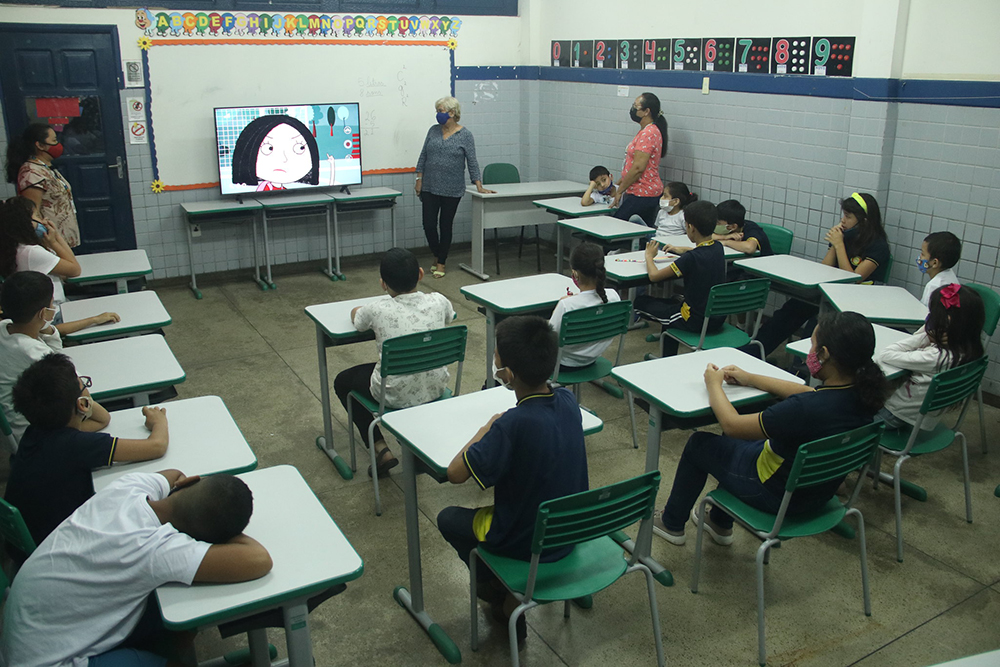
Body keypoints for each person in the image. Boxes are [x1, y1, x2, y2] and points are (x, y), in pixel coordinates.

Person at [652, 311, 888, 545]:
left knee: (699, 444)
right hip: (817, 495)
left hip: (773, 494)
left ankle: (671, 523)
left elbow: (732, 426)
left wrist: (714, 385)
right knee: (746, 429)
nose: (810, 353)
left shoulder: (803, 410)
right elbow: (809, 393)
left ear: (824, 354)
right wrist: (751, 378)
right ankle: (718, 521)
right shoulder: (865, 396)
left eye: (813, 346)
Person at [0, 470, 272, 667]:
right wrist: (222, 532)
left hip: (21, 631)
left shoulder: (127, 487)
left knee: (174, 619)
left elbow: (171, 474)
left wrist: (190, 491)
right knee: (178, 621)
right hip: (49, 661)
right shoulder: (159, 549)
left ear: (191, 481)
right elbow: (258, 559)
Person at [437, 315, 588, 644]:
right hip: (569, 531)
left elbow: (455, 473)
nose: (494, 360)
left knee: (448, 518)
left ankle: (502, 595)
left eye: (496, 357)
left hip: (526, 539)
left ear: (509, 374)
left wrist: (484, 429)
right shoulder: (568, 402)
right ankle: (508, 595)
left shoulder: (511, 425)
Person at [5, 353, 170, 550]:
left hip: (33, 538)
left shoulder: (37, 430)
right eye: (84, 384)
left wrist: (81, 398)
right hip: (60, 544)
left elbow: (102, 420)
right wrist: (159, 421)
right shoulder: (75, 445)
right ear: (80, 404)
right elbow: (157, 447)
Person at [333, 247, 455, 477]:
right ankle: (416, 448)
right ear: (420, 274)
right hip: (436, 387)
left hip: (395, 395)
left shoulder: (377, 308)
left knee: (343, 381)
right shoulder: (439, 301)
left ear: (383, 284)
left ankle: (380, 449)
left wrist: (357, 310)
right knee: (413, 365)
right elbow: (451, 316)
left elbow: (358, 321)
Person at [747, 192, 890, 358]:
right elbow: (824, 269)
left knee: (817, 325)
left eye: (848, 217)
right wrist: (835, 245)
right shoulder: (845, 236)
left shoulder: (878, 245)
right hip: (829, 291)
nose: (843, 220)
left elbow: (854, 280)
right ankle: (755, 353)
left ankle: (802, 369)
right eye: (844, 215)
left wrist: (839, 245)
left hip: (855, 298)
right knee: (790, 311)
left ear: (863, 221)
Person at [0, 196, 119, 336]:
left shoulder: (16, 248)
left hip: (53, 311)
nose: (44, 221)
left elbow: (66, 269)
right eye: (38, 216)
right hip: (54, 315)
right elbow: (75, 269)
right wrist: (55, 240)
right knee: (111, 306)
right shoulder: (31, 252)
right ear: (26, 223)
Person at [878, 284, 984, 431]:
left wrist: (928, 334)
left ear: (946, 322)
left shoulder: (937, 357)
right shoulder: (971, 349)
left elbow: (886, 354)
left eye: (933, 315)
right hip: (921, 415)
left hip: (896, 415)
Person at [633, 200, 727, 357]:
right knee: (674, 302)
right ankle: (667, 357)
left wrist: (649, 256)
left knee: (641, 302)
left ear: (690, 227)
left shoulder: (690, 258)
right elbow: (702, 253)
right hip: (716, 317)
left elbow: (654, 276)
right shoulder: (718, 248)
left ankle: (667, 360)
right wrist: (684, 250)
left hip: (694, 319)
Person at [415, 96, 494, 278]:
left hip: (452, 188)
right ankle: (437, 253)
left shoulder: (465, 135)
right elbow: (423, 156)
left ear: (452, 113)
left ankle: (441, 262)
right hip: (429, 186)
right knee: (428, 225)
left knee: (445, 225)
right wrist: (419, 178)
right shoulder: (433, 131)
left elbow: (472, 161)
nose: (438, 114)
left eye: (441, 111)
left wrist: (479, 185)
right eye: (437, 111)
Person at [0, 271, 65, 445]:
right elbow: (66, 370)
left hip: (16, 427)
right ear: (44, 313)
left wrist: (45, 328)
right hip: (35, 433)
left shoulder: (4, 326)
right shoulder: (32, 351)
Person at [4, 123, 81, 247]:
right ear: (40, 145)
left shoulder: (46, 168)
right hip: (51, 243)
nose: (58, 145)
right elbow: (32, 212)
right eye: (54, 141)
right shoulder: (32, 173)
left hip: (64, 240)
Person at [549, 242, 622, 372]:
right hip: (593, 359)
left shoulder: (566, 305)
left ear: (575, 274)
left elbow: (548, 340)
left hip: (562, 364)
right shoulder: (614, 297)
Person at [230, 114, 335, 192]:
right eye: (269, 148)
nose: (283, 158)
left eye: (300, 148)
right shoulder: (265, 187)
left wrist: (332, 166)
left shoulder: (283, 188)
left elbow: (331, 187)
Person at [612, 92, 667, 226]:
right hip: (639, 191)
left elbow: (638, 168)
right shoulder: (647, 131)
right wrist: (620, 184)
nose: (633, 109)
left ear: (646, 111)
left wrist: (620, 191)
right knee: (639, 232)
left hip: (643, 193)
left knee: (617, 226)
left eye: (636, 106)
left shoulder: (649, 133)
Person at [916, 231, 961, 307]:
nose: (920, 257)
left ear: (934, 263)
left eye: (923, 254)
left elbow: (924, 315)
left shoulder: (934, 286)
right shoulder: (951, 276)